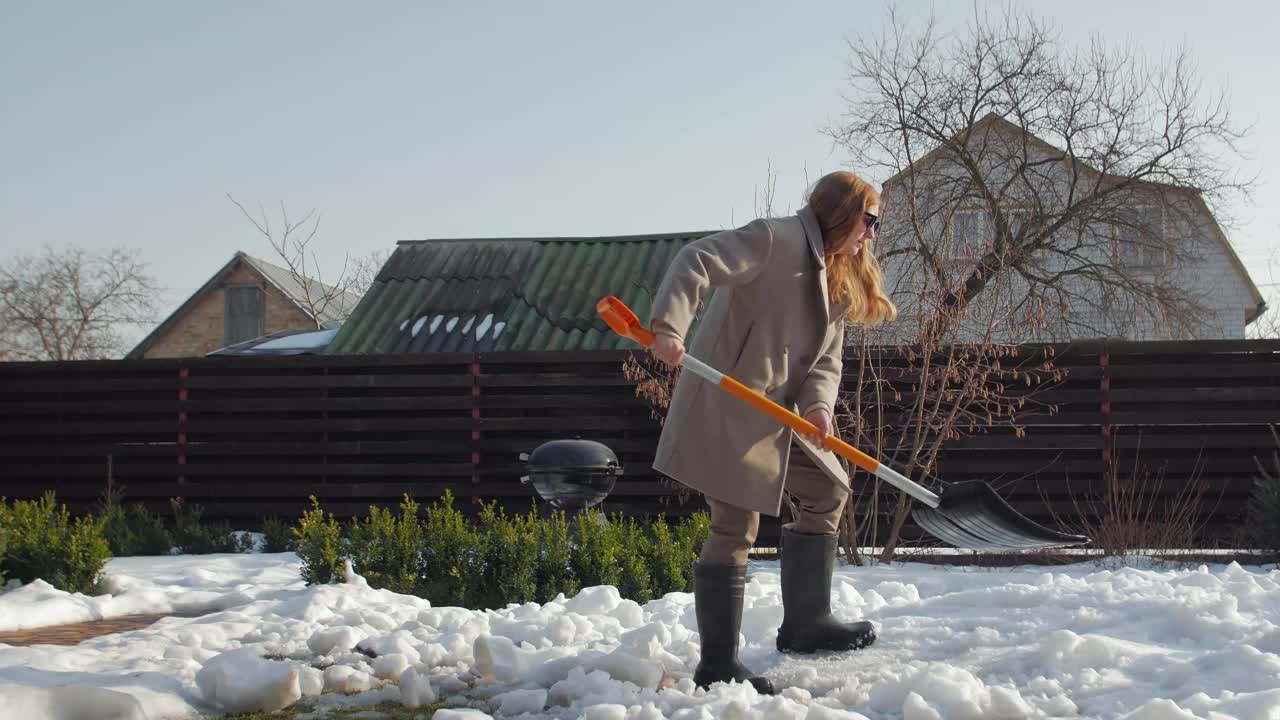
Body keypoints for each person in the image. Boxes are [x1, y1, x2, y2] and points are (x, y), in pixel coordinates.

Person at [646, 170, 897, 695]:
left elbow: (826, 362)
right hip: (730, 405)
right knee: (735, 527)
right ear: (843, 214)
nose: (872, 234)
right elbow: (697, 259)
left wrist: (821, 409)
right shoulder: (773, 239)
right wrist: (670, 327)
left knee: (828, 488)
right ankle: (717, 665)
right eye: (869, 221)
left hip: (782, 415)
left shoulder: (838, 274)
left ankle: (807, 624)